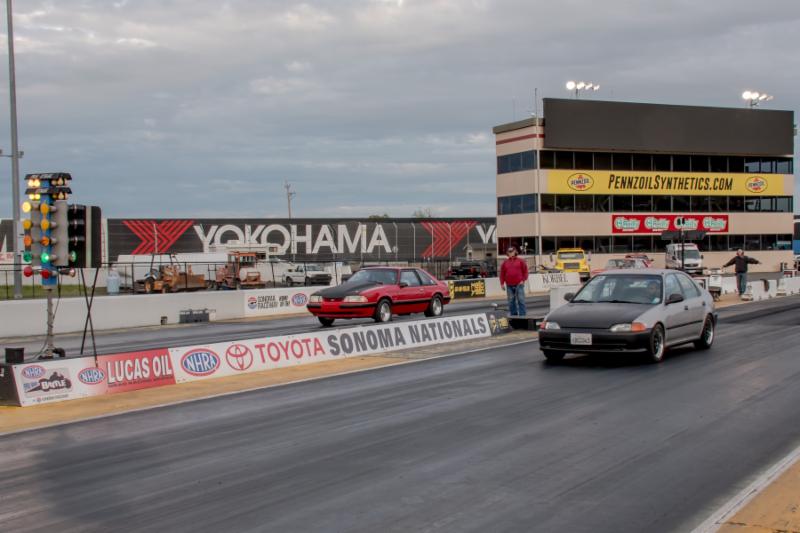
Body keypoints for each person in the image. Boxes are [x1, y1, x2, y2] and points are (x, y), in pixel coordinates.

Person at [500, 246, 529, 316]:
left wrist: (523, 280)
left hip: (519, 284)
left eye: (512, 251)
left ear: (515, 252)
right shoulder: (505, 263)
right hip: (509, 285)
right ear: (507, 253)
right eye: (509, 252)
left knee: (521, 300)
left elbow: (525, 271)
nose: (510, 253)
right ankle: (514, 316)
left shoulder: (520, 261)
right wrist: (502, 283)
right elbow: (502, 274)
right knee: (511, 301)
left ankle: (523, 316)